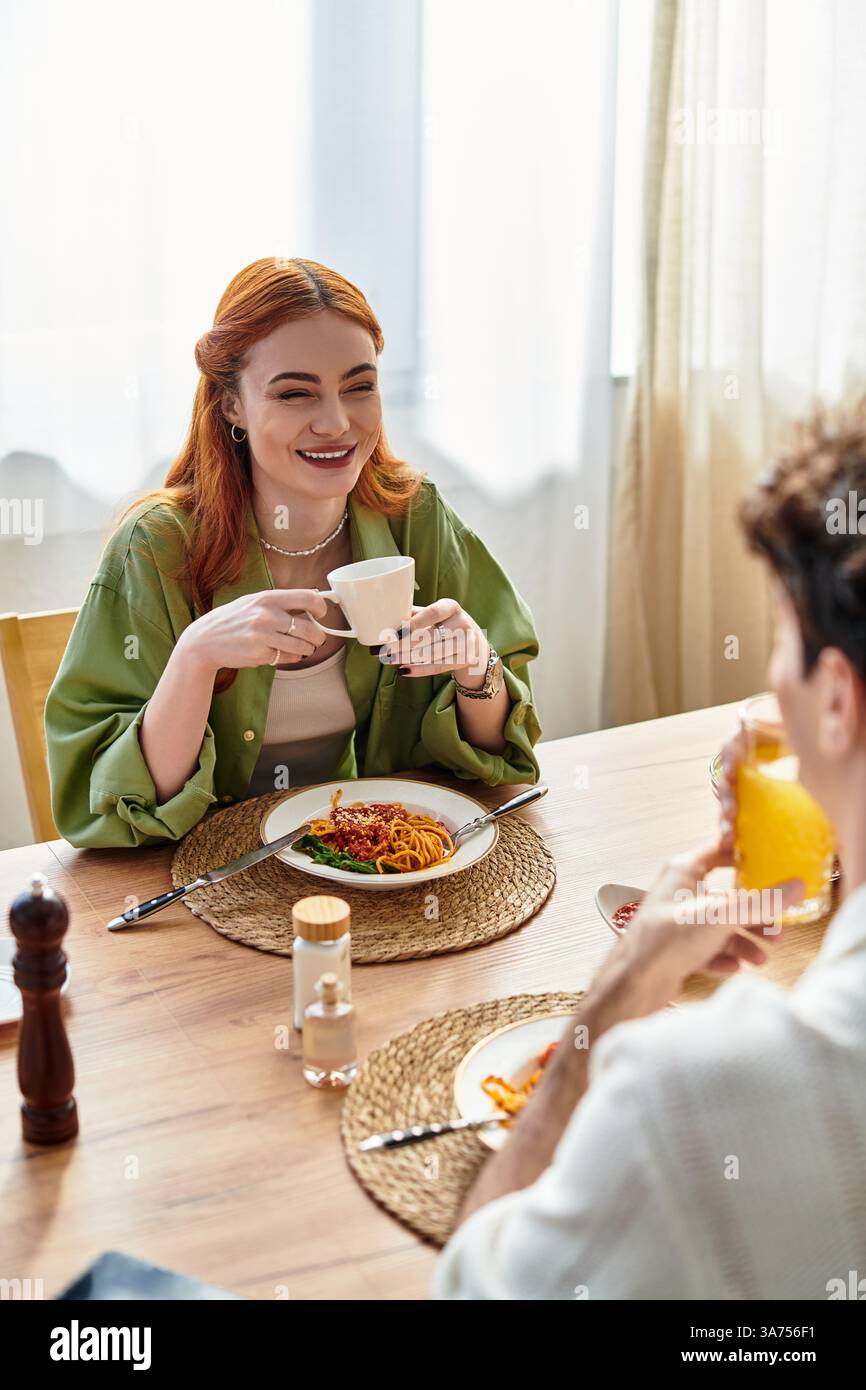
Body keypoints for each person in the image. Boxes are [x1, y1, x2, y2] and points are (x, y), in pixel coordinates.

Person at [433, 395, 866, 1300]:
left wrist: (626, 984)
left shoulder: (691, 1100)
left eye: (777, 649)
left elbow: (476, 1290)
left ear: (835, 700)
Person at [44, 258, 541, 848]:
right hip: (203, 879)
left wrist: (476, 670)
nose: (335, 422)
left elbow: (496, 763)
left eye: (360, 387)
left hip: (363, 860)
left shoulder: (414, 515)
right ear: (232, 405)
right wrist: (195, 658)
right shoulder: (157, 545)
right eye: (295, 393)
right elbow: (114, 808)